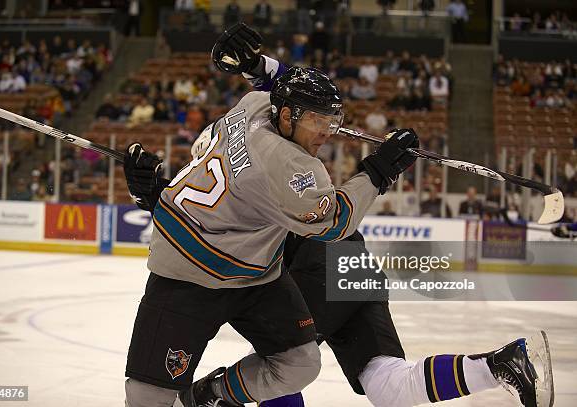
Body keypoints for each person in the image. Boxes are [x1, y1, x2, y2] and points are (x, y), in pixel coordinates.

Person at [227, 24, 554, 407]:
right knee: (389, 386)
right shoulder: (280, 132)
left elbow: (289, 92)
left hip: (317, 260)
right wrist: (256, 66)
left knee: (281, 363)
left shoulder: (263, 149)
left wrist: (257, 69)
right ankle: (502, 365)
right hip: (354, 264)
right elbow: (289, 88)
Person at [122, 22, 419, 407]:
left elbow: (279, 81)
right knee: (146, 398)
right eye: (316, 120)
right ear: (287, 117)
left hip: (253, 273)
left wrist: (255, 65)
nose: (326, 131)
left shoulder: (255, 104)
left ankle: (210, 395)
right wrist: (381, 171)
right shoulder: (291, 167)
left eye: (330, 120)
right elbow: (336, 223)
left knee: (299, 363)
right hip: (188, 274)